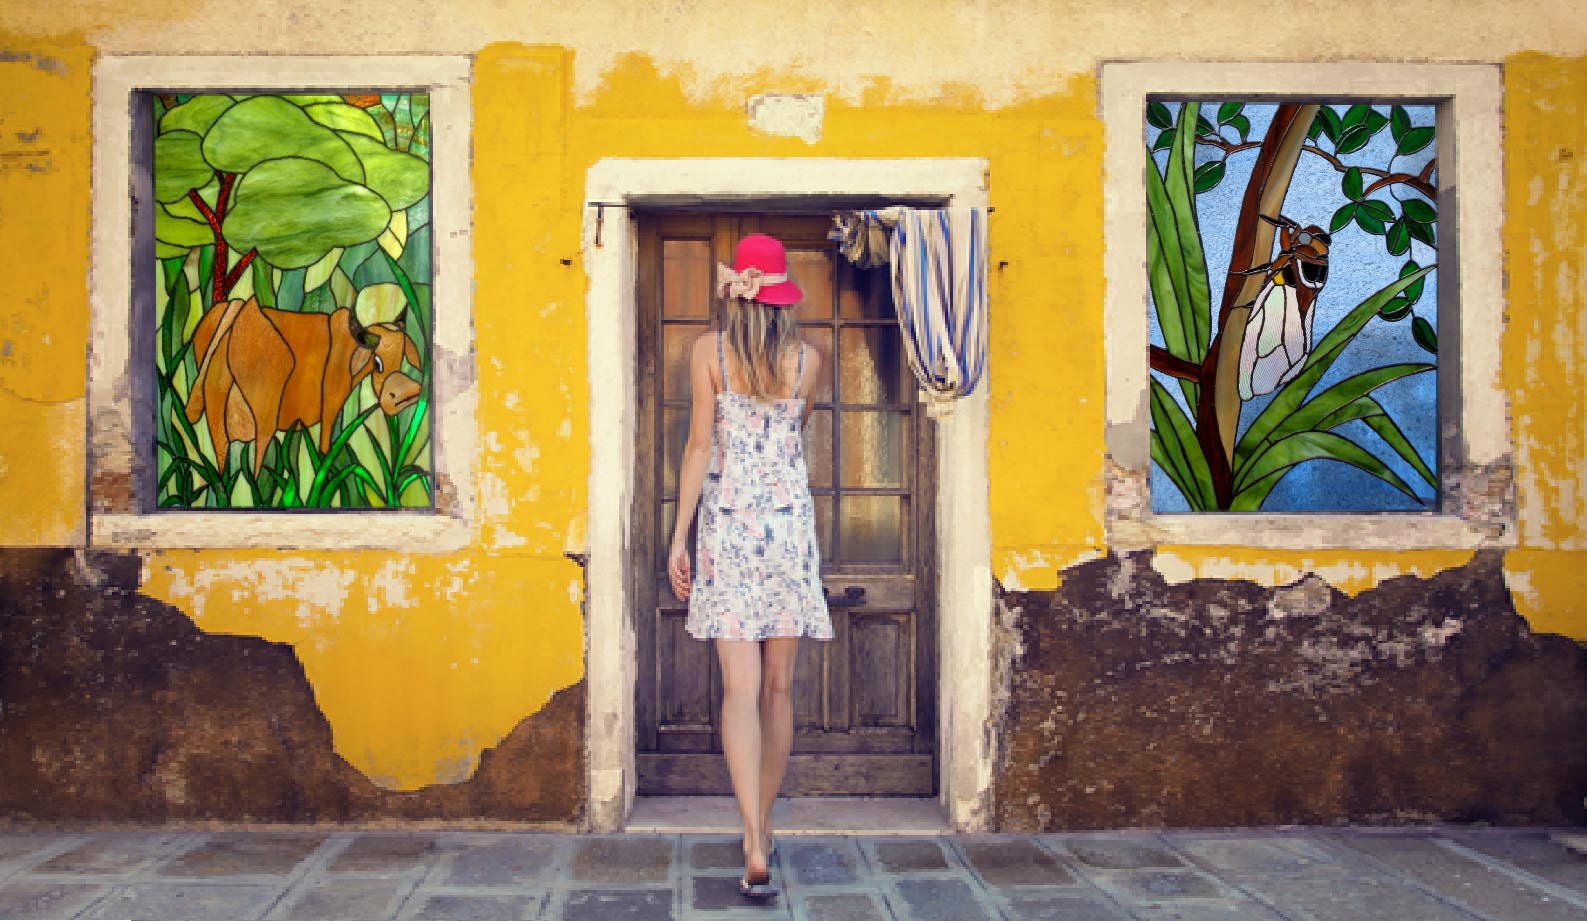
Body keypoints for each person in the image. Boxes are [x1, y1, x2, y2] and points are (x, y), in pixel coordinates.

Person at [667, 233, 831, 901]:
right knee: (777, 688)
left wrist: (678, 538)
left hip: (728, 527)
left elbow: (700, 445)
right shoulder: (809, 361)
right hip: (788, 529)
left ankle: (751, 838)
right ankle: (764, 823)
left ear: (735, 289)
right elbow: (795, 435)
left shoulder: (707, 352)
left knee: (738, 690)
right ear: (783, 296)